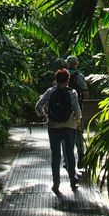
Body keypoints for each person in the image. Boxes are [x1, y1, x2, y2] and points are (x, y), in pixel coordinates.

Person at [36, 65, 81, 195]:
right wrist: (77, 122)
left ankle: (56, 183)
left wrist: (45, 117)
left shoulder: (50, 91)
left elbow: (38, 106)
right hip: (69, 127)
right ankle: (72, 180)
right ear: (68, 80)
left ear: (56, 79)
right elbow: (77, 111)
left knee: (55, 155)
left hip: (53, 126)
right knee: (69, 153)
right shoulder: (72, 92)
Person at [65, 55, 87, 168]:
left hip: (64, 111)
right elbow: (85, 93)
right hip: (77, 109)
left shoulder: (62, 76)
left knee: (65, 134)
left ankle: (67, 160)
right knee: (78, 132)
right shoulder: (80, 76)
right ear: (76, 64)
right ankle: (81, 154)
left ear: (68, 64)